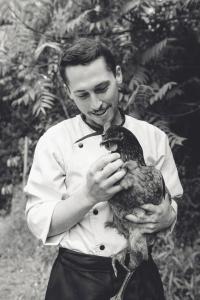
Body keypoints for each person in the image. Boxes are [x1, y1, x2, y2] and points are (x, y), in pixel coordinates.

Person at [24, 38, 183, 300]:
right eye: (82, 95)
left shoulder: (153, 137)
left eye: (102, 88)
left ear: (118, 75)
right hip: (76, 279)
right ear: (67, 91)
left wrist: (167, 217)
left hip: (138, 274)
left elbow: (172, 200)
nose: (96, 103)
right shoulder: (55, 141)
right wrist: (89, 196)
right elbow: (39, 221)